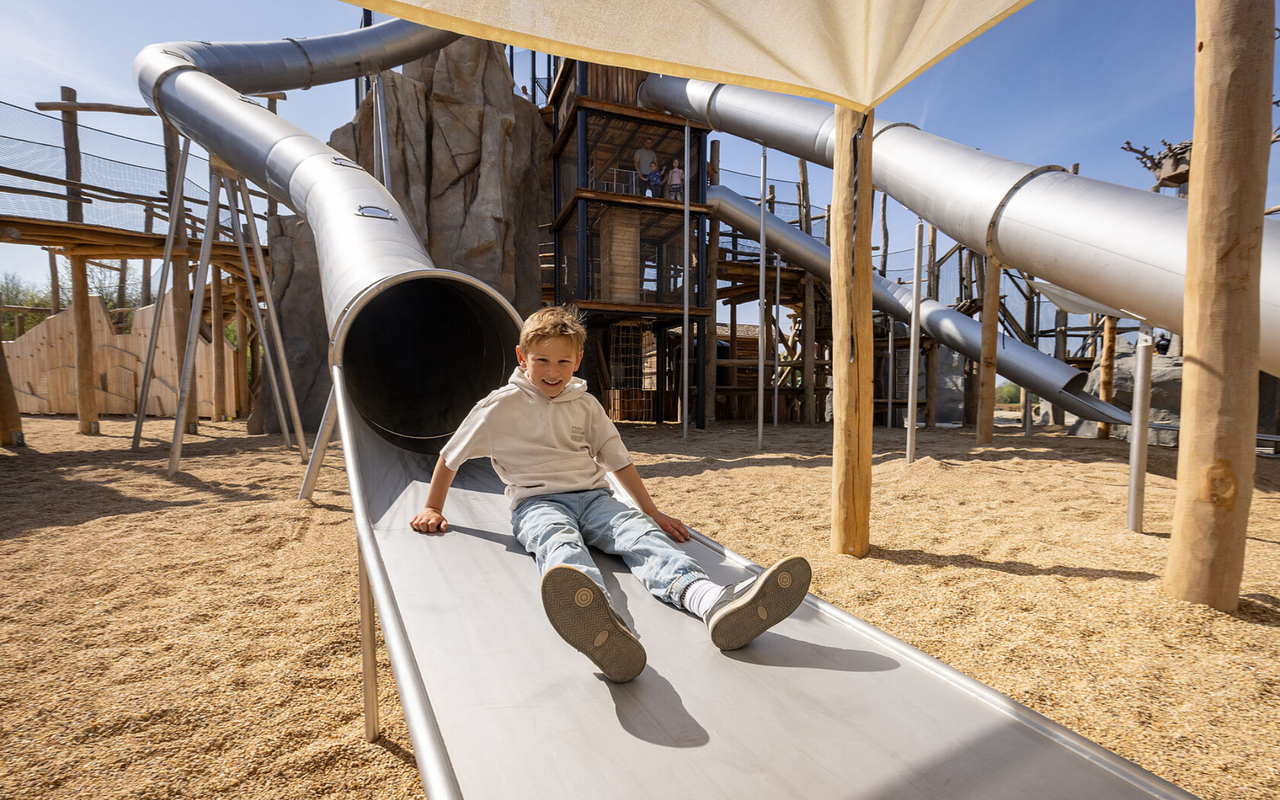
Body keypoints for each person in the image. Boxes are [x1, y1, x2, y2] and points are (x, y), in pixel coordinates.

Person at [410, 306, 811, 683]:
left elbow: (618, 461)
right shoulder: (498, 407)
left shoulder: (586, 405)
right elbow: (451, 456)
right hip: (537, 502)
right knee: (558, 543)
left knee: (641, 536)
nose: (552, 371)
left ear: (578, 360)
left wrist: (651, 512)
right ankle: (598, 623)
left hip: (594, 498)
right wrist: (433, 506)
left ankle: (710, 601)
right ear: (521, 357)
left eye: (563, 361)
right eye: (542, 360)